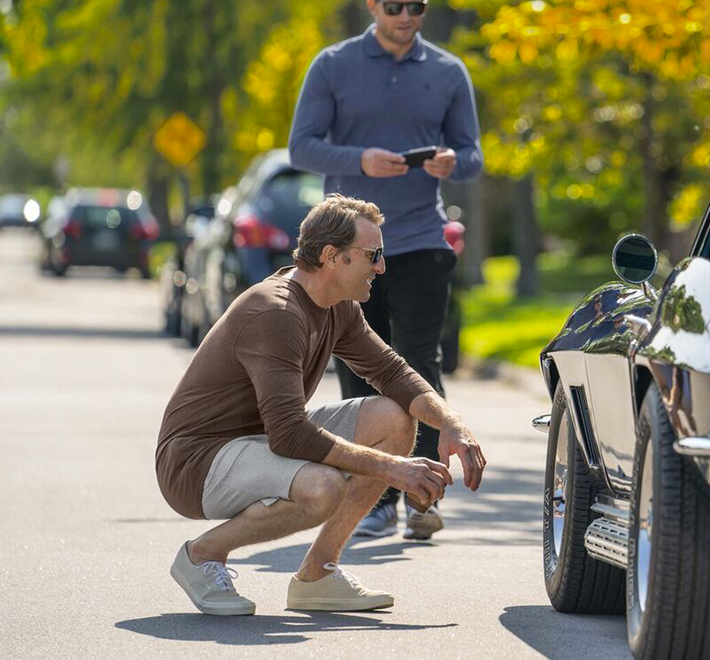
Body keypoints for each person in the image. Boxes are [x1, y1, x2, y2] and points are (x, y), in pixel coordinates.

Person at [156, 194, 486, 616]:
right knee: (322, 487)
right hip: (196, 461)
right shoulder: (275, 312)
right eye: (372, 255)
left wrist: (452, 425)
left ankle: (318, 575)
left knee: (394, 418)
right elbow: (290, 433)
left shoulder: (338, 307)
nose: (382, 267)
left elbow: (393, 373)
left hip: (257, 441)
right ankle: (201, 555)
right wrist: (394, 470)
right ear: (332, 257)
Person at [288, 0, 483, 541]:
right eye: (393, 6)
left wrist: (454, 161)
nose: (404, 16)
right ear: (373, 6)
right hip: (347, 248)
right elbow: (302, 147)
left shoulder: (448, 73)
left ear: (425, 7)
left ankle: (424, 493)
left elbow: (473, 159)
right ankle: (375, 498)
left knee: (420, 362)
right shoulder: (334, 65)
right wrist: (360, 161)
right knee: (359, 368)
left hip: (422, 239)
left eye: (415, 7)